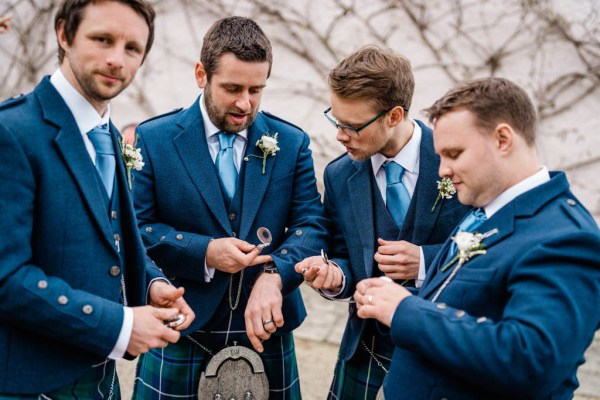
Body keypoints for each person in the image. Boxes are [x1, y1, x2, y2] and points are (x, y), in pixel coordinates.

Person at [354, 77, 600, 399]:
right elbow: (460, 295)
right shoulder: (487, 206)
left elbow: (531, 361)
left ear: (502, 139)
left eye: (454, 154)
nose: (442, 170)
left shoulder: (567, 239)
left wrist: (405, 311)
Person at [0, 1, 194, 398]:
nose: (116, 60)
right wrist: (120, 327)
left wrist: (150, 283)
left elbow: (111, 238)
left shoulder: (108, 134)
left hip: (101, 380)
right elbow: (5, 277)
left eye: (132, 48)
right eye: (102, 39)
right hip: (29, 382)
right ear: (64, 34)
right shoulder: (12, 132)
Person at [131, 16, 328, 399]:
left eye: (257, 90)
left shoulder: (290, 141)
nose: (245, 103)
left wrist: (275, 273)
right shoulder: (154, 139)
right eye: (232, 88)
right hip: (184, 323)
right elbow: (136, 228)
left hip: (266, 327)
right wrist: (204, 250)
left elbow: (313, 225)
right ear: (201, 74)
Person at [294, 46, 469, 399]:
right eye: (335, 120)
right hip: (364, 354)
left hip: (440, 354)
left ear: (394, 115)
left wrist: (424, 261)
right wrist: (335, 275)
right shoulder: (339, 175)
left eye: (353, 126)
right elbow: (343, 253)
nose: (340, 135)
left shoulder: (457, 158)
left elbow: (491, 252)